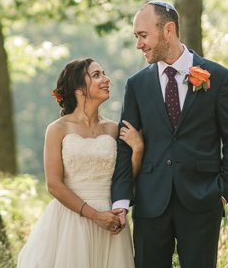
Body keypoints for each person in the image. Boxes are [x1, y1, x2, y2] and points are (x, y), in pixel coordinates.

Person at [111, 0, 228, 268]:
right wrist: (121, 199)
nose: (139, 44)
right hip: (150, 203)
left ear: (168, 30)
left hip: (203, 200)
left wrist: (223, 192)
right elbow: (124, 145)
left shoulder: (218, 77)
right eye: (136, 37)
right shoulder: (136, 85)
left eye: (143, 35)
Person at [17, 58, 144, 268]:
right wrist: (94, 216)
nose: (106, 79)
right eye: (96, 75)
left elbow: (125, 180)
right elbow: (53, 185)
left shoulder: (114, 129)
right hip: (72, 219)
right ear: (78, 89)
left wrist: (138, 150)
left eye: (103, 73)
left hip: (112, 220)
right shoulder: (57, 129)